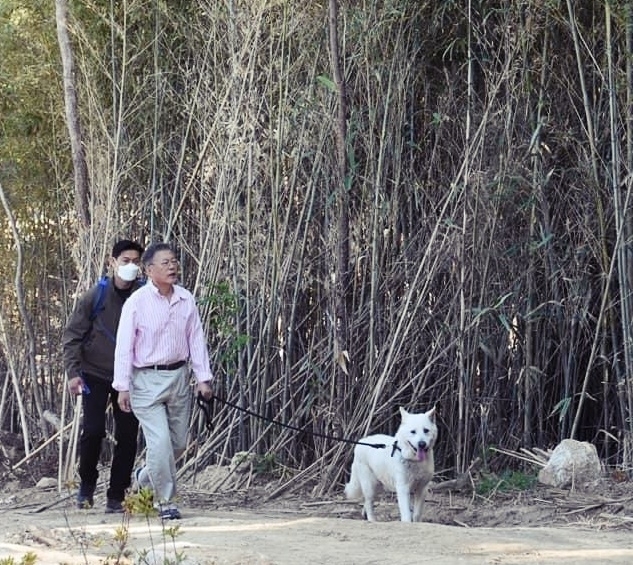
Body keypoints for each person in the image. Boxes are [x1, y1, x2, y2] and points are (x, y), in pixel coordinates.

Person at [113, 242, 214, 520]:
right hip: (146, 380)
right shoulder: (137, 302)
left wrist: (203, 378)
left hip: (179, 377)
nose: (172, 266)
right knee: (159, 445)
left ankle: (144, 476)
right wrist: (122, 386)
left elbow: (196, 339)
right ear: (148, 270)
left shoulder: (186, 299)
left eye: (174, 261)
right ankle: (165, 502)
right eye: (165, 262)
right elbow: (124, 347)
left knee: (177, 444)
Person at [63, 239, 145, 513]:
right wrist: (74, 373)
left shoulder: (144, 296)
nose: (130, 267)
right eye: (125, 261)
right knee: (93, 430)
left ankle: (116, 495)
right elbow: (73, 335)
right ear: (112, 262)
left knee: (128, 435)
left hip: (130, 377)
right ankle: (86, 488)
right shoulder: (94, 296)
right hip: (95, 372)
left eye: (136, 262)